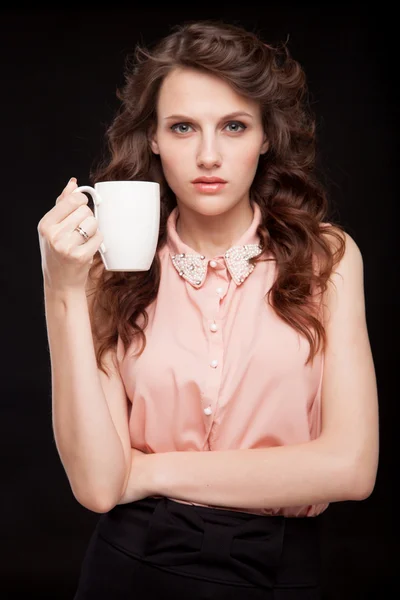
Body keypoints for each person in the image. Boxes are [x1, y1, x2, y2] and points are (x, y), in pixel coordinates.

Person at [37, 18, 379, 600]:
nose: (208, 154)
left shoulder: (330, 257)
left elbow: (350, 467)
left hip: (279, 571)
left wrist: (147, 472)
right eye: (182, 127)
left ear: (266, 136)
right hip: (131, 566)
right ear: (153, 138)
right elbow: (98, 486)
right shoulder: (106, 270)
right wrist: (62, 288)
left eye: (234, 126)